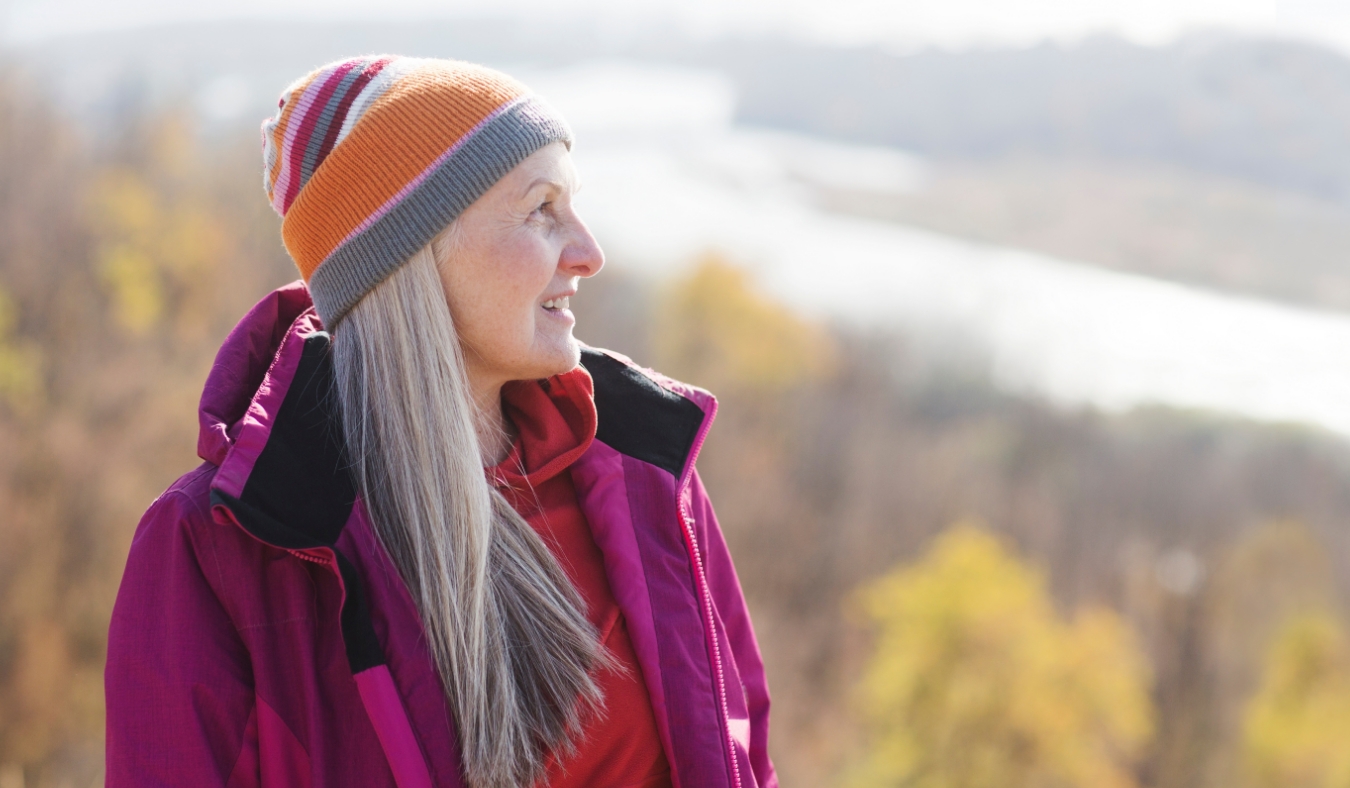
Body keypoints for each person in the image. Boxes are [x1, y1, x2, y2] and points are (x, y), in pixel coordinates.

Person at [103, 56, 776, 788]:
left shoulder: (645, 471)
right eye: (541, 208)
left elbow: (746, 754)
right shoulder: (218, 554)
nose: (589, 252)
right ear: (411, 254)